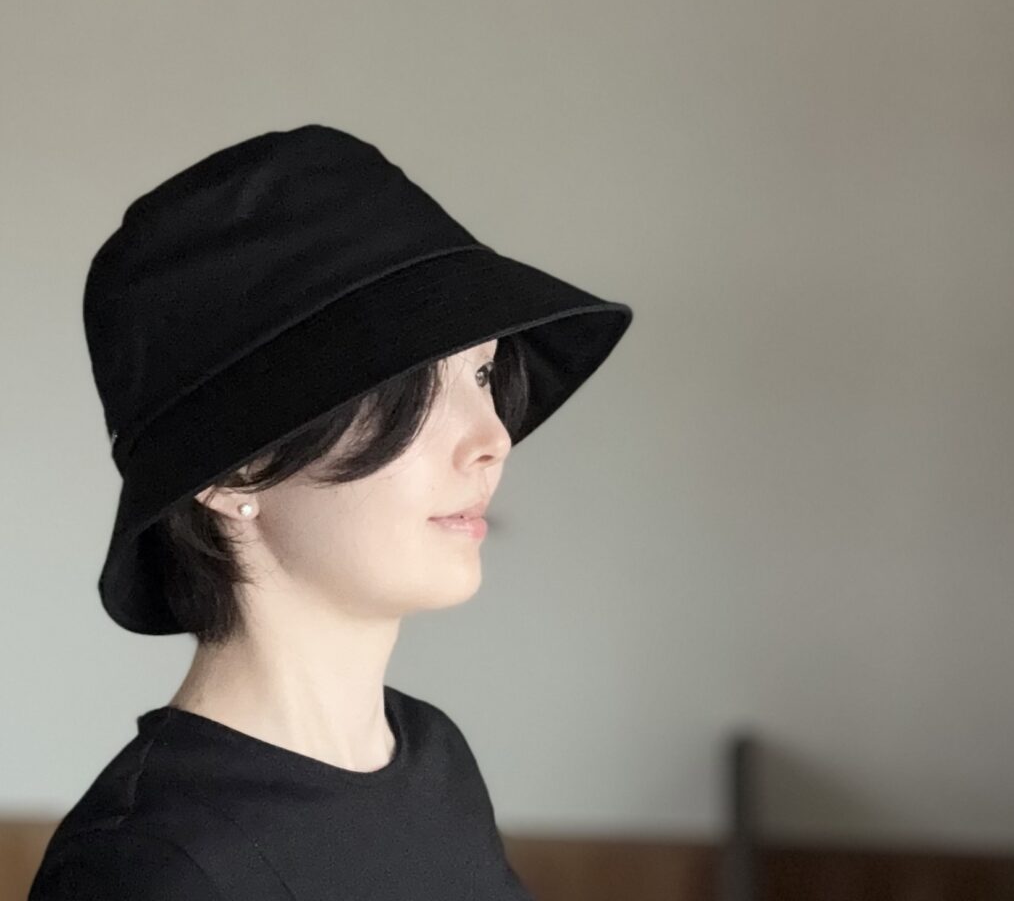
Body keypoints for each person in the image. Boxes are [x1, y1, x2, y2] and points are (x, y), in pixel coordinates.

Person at [28, 123, 633, 899]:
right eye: (418, 387)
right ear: (237, 468)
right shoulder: (150, 868)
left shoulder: (432, 761)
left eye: (483, 376)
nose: (493, 439)